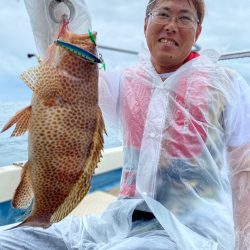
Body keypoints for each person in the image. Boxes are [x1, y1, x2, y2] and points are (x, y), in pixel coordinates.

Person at [1, 0, 250, 249]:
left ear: (198, 32)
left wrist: (243, 240)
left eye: (184, 18)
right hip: (119, 223)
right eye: (163, 14)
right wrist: (67, 15)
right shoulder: (125, 81)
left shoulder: (226, 84)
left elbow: (244, 170)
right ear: (145, 24)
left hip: (192, 232)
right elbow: (72, 75)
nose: (172, 26)